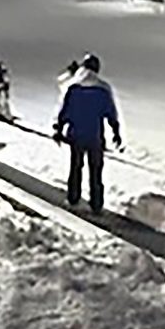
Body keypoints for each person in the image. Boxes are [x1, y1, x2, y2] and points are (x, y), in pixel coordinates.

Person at [53, 54, 121, 214]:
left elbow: (64, 110)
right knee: (96, 171)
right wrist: (116, 131)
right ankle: (96, 204)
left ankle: (73, 198)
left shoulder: (73, 87)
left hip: (76, 135)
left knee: (76, 167)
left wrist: (58, 128)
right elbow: (111, 113)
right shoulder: (103, 88)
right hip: (95, 136)